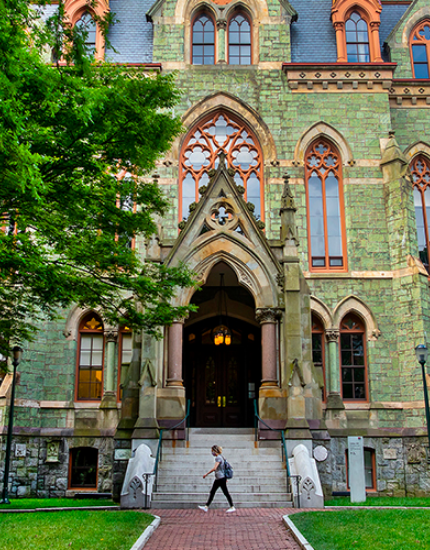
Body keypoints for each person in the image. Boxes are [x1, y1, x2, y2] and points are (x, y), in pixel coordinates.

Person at [198, 445, 236, 513]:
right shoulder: (222, 457)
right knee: (214, 492)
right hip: (220, 478)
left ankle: (232, 506)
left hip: (220, 478)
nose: (212, 452)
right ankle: (206, 506)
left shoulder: (218, 458)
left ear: (215, 451)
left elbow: (215, 468)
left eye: (212, 451)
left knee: (223, 492)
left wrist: (206, 474)